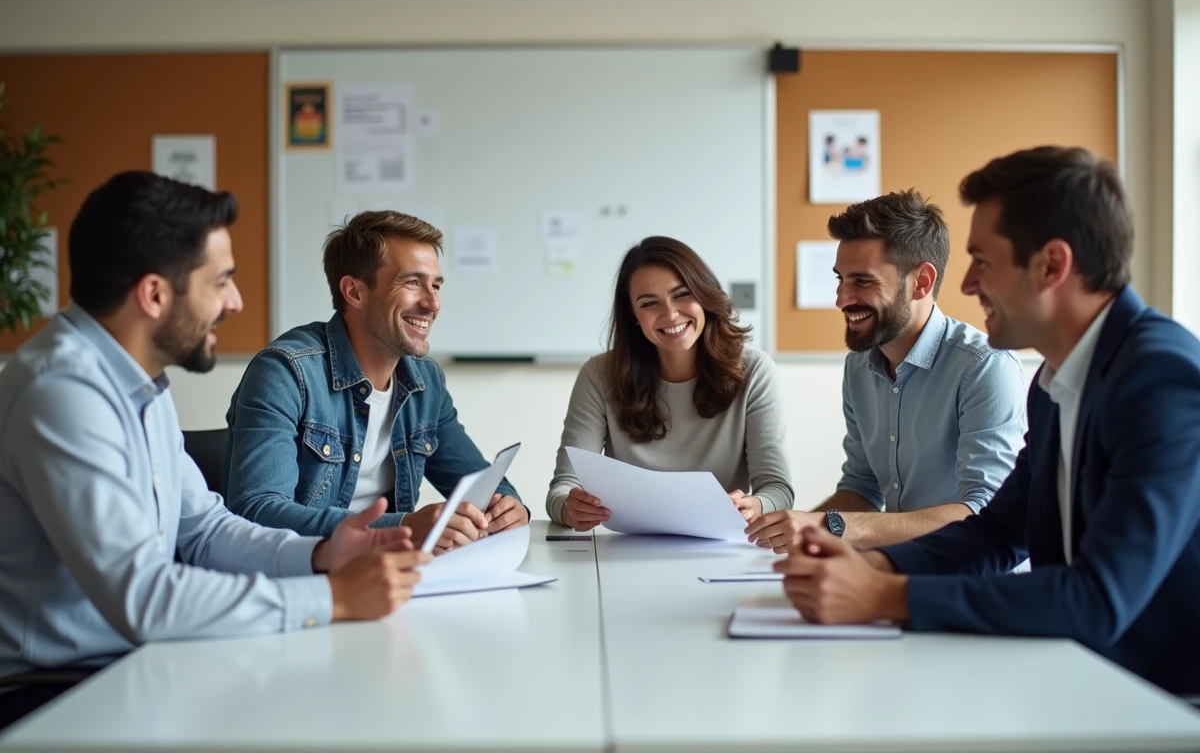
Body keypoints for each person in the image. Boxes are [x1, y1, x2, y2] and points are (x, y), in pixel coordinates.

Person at [0, 173, 429, 727]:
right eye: (220, 281)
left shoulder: (138, 385)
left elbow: (204, 531)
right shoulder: (61, 392)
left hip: (132, 667)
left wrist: (324, 555)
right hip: (54, 698)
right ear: (154, 294)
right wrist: (333, 600)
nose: (235, 301)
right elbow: (144, 599)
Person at [774, 146, 1200, 697]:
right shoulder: (1056, 381)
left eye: (983, 259)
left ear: (1051, 265)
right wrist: (874, 567)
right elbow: (997, 534)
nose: (969, 283)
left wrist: (884, 596)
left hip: (1161, 702)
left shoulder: (1158, 378)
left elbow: (1099, 599)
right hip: (1084, 675)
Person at [225, 210, 527, 553]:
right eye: (412, 283)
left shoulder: (425, 382)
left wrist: (510, 508)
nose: (433, 303)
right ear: (354, 292)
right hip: (304, 577)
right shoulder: (285, 372)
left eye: (436, 285)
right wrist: (400, 528)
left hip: (388, 576)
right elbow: (256, 512)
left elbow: (477, 481)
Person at [747, 190, 1026, 552]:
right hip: (899, 571)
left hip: (974, 584)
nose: (841, 299)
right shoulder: (859, 367)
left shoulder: (985, 366)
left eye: (862, 281)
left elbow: (982, 512)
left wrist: (829, 525)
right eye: (840, 280)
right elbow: (862, 488)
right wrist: (792, 536)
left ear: (922, 282)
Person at [547, 236, 793, 530]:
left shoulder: (755, 371)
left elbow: (778, 490)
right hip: (628, 550)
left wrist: (755, 506)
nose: (671, 314)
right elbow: (563, 487)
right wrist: (569, 508)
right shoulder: (600, 375)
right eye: (649, 303)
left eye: (681, 294)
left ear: (704, 296)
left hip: (721, 547)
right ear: (634, 317)